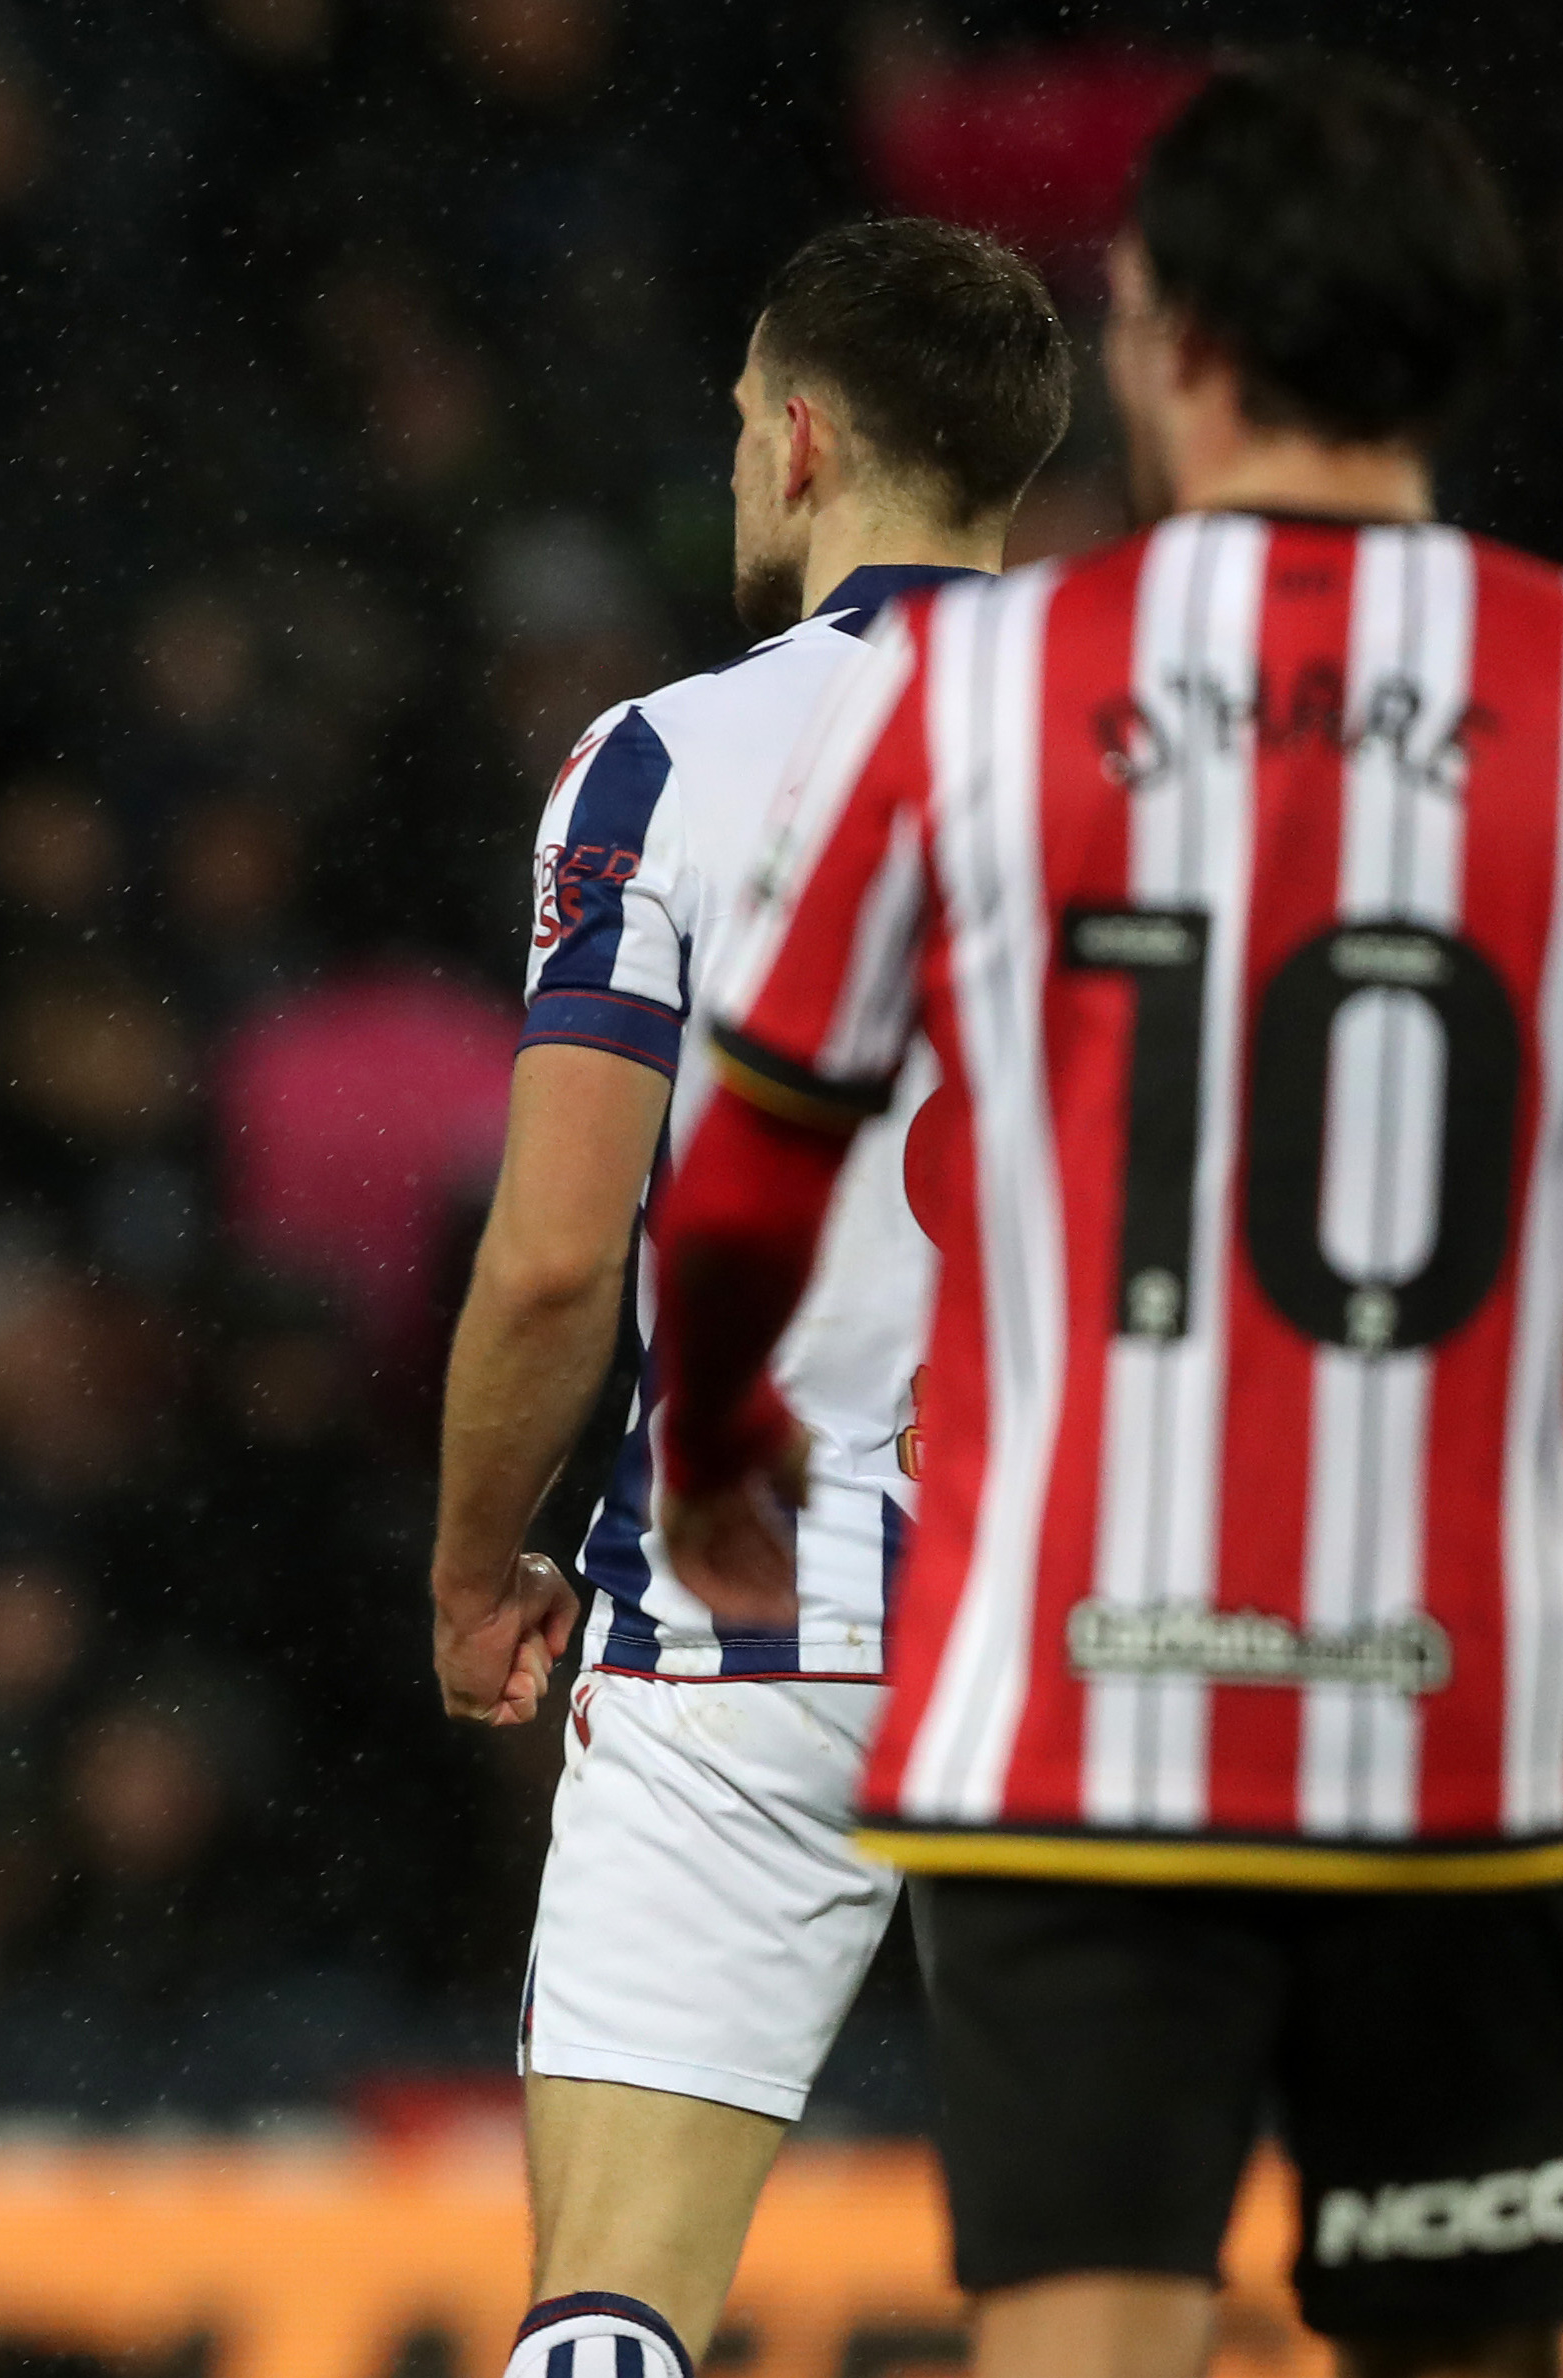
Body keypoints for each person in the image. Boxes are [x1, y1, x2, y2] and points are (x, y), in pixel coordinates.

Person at [647, 57, 1554, 2378]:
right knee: (1471, 2340)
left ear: (1176, 343)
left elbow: (748, 1162)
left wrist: (717, 1453)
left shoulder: (980, 694)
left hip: (1076, 1711)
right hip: (1464, 1719)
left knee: (1083, 2339)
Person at [430, 220, 1070, 2378]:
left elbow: (545, 1256)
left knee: (611, 2311)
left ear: (798, 441)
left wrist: (467, 1567)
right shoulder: (1179, 768)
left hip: (745, 1618)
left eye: (732, 429)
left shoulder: (666, 761)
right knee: (1127, 2293)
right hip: (1098, 1628)